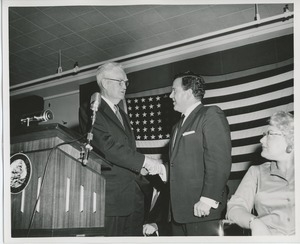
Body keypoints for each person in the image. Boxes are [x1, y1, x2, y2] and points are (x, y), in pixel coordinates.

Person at [79, 62, 165, 236]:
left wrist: (140, 167)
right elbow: (107, 146)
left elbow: (127, 150)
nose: (124, 86)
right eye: (119, 81)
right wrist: (147, 162)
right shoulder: (92, 110)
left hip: (134, 197)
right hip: (112, 199)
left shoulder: (123, 115)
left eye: (126, 82)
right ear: (104, 83)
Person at [168, 71, 232, 236]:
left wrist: (207, 199)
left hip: (202, 210)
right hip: (179, 214)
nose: (170, 95)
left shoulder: (210, 114)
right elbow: (178, 165)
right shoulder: (176, 127)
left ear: (189, 93)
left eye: (174, 90)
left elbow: (219, 160)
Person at [226, 111, 294, 236]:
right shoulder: (256, 172)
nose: (262, 140)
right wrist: (255, 223)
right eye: (264, 134)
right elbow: (234, 209)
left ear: (290, 140)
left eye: (269, 134)